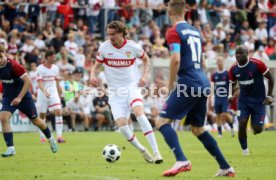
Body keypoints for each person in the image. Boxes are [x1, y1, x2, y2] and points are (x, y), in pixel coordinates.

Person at [155, 0, 235, 177]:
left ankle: (181, 160)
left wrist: (170, 86)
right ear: (185, 11)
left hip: (188, 83)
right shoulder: (195, 31)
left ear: (169, 12)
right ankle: (226, 167)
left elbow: (175, 59)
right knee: (198, 129)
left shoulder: (173, 31)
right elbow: (204, 62)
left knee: (161, 122)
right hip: (202, 81)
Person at [90, 21, 163, 164]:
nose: (110, 37)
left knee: (139, 114)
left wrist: (144, 76)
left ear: (122, 33)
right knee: (123, 126)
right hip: (115, 92)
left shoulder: (133, 47)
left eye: (113, 34)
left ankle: (157, 153)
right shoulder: (104, 47)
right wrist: (93, 75)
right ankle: (143, 150)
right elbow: (96, 66)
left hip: (132, 87)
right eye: (108, 34)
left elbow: (146, 60)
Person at [0, 49, 58, 157]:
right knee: (3, 118)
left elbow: (28, 81)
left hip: (23, 97)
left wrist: (19, 97)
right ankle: (11, 149)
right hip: (8, 97)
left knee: (36, 120)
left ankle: (50, 139)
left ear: (2, 55)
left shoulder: (14, 65)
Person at [229, 45, 274, 155]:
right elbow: (232, 83)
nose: (238, 55)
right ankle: (245, 150)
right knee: (242, 123)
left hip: (259, 101)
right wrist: (231, 95)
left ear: (247, 54)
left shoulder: (257, 64)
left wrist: (269, 96)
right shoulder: (233, 68)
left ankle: (258, 126)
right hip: (243, 101)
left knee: (257, 129)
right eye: (236, 53)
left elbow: (271, 78)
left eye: (241, 53)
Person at [36, 50, 65, 143]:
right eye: (53, 57)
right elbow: (39, 83)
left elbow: (56, 80)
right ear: (48, 57)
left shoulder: (56, 68)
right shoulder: (40, 68)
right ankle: (42, 137)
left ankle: (59, 136)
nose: (55, 58)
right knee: (42, 115)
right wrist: (44, 91)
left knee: (59, 111)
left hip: (53, 92)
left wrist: (60, 92)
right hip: (42, 93)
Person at [211, 56, 235, 137]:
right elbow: (212, 86)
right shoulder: (214, 75)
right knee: (218, 115)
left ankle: (232, 127)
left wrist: (230, 95)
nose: (219, 63)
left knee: (225, 114)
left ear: (223, 62)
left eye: (221, 61)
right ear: (216, 63)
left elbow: (231, 84)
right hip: (217, 98)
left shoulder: (227, 73)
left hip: (225, 97)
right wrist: (212, 97)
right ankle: (220, 132)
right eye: (218, 61)